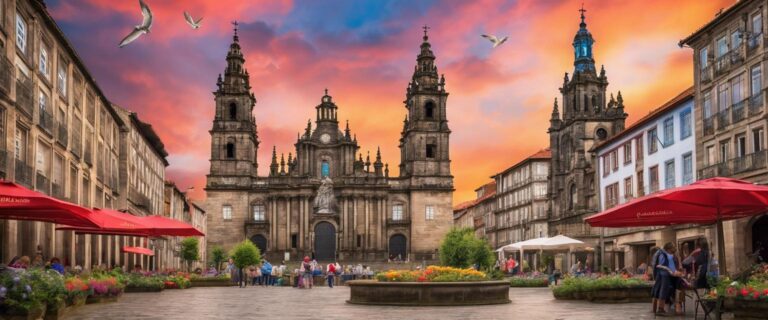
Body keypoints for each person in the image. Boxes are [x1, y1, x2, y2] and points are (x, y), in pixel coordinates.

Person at [652, 242, 683, 315]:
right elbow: (659, 265)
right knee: (662, 291)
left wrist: (674, 271)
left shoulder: (668, 254)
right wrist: (670, 271)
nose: (673, 250)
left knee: (665, 291)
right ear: (668, 248)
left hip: (667, 274)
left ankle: (662, 308)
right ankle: (660, 309)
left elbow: (671, 265)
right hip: (663, 275)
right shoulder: (662, 254)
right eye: (672, 248)